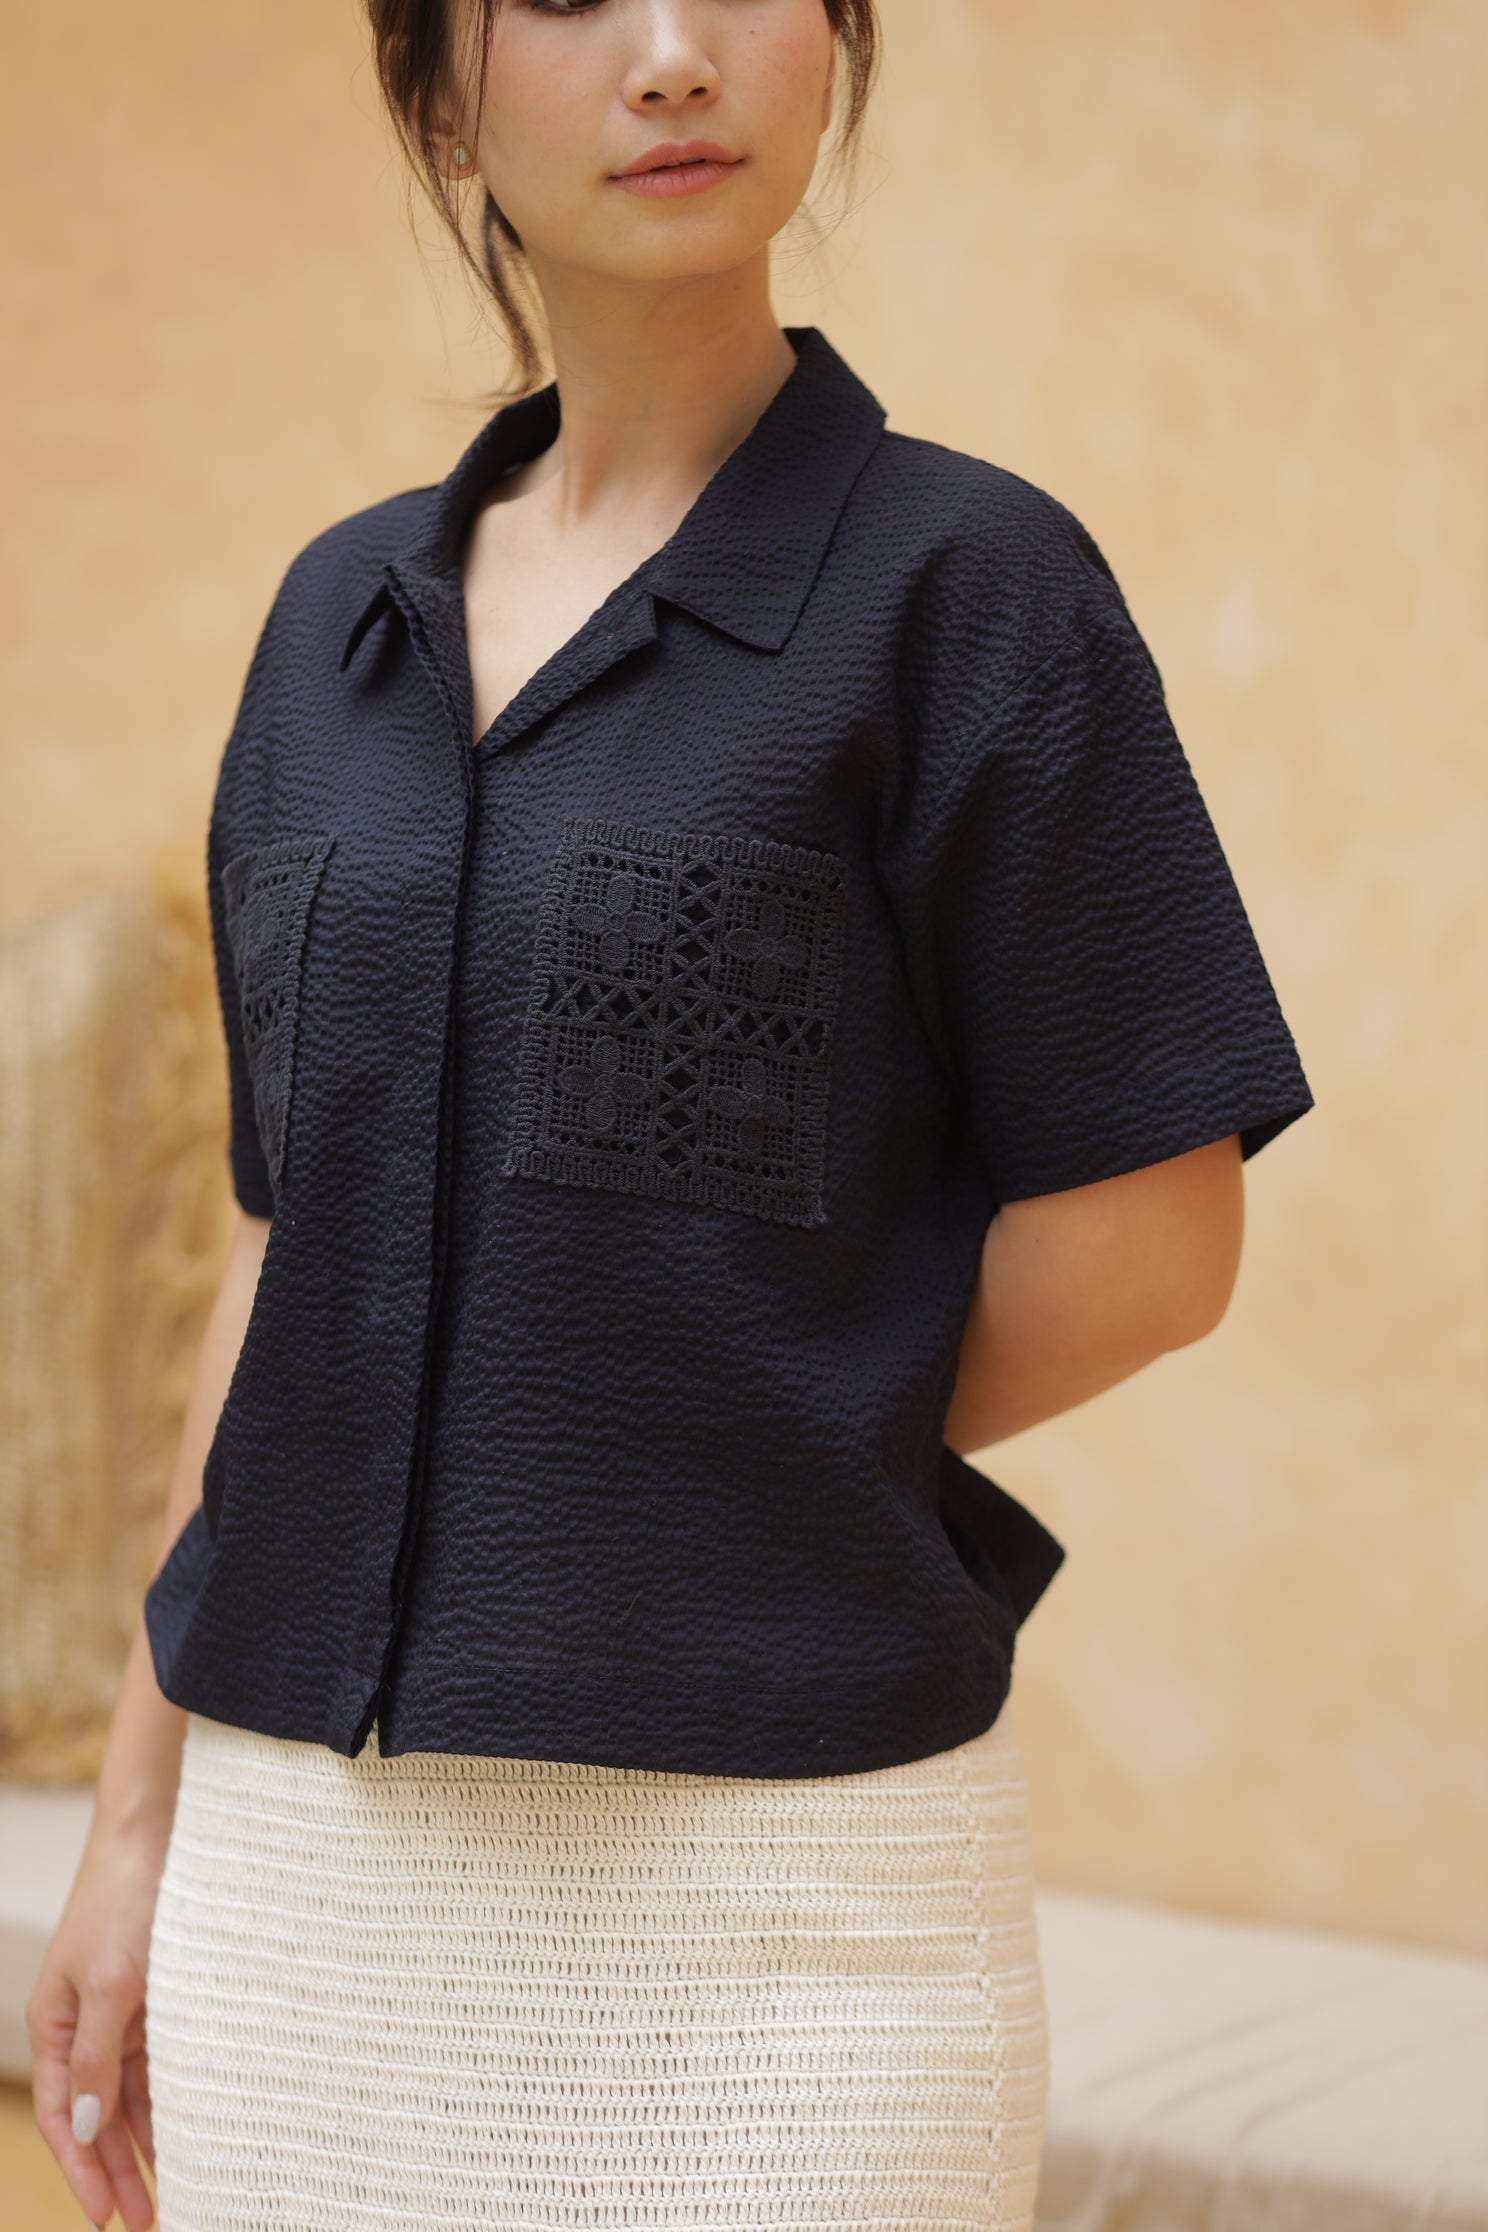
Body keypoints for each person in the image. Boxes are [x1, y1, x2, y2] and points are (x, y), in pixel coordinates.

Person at [27, 1, 1314, 2226]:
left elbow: (1149, 1240)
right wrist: (132, 1829)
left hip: (791, 1921)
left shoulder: (970, 590)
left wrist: (717, 1432)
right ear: (437, 99)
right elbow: (283, 1245)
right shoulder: (333, 623)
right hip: (298, 1901)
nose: (670, 55)